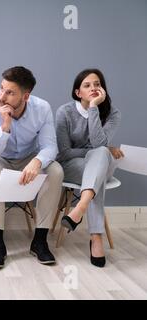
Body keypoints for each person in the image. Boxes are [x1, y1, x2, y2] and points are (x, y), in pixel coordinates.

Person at [0, 66, 64, 268]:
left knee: (56, 171)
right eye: (1, 88)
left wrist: (37, 161)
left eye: (10, 92)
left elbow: (50, 146)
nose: (2, 96)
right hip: (0, 159)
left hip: (29, 158)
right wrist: (5, 125)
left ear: (25, 96)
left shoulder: (42, 108)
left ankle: (40, 241)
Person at [56, 68, 123, 268]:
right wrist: (98, 151)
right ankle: (96, 238)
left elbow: (98, 144)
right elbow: (65, 153)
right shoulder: (65, 112)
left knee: (101, 154)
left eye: (97, 84)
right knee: (101, 158)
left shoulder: (113, 114)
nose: (93, 88)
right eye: (87, 85)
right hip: (72, 166)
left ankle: (80, 207)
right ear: (78, 93)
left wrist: (93, 107)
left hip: (99, 164)